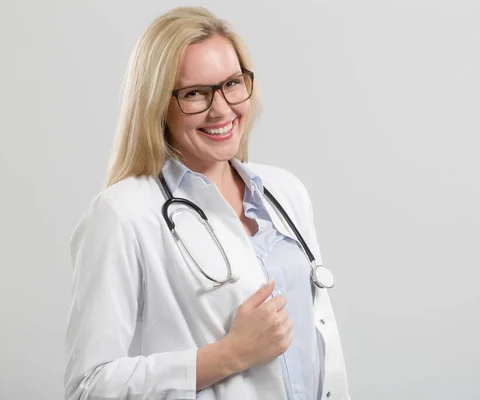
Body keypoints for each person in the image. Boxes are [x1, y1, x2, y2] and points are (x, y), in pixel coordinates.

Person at [64, 6, 349, 400]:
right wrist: (229, 355)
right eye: (195, 93)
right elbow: (88, 386)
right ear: (157, 105)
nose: (221, 108)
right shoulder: (122, 215)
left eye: (232, 83)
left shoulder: (285, 193)